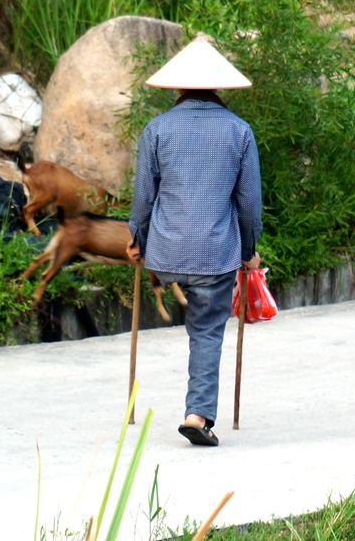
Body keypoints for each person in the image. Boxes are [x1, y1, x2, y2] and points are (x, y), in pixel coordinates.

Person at [126, 36, 262, 447]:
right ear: (219, 87)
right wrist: (248, 250)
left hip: (166, 250)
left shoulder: (157, 130)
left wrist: (137, 238)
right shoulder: (239, 132)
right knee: (205, 330)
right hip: (214, 252)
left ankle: (169, 411)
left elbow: (144, 195)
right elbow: (249, 204)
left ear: (178, 88)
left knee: (198, 320)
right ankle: (197, 415)